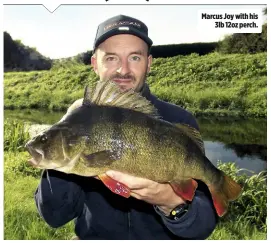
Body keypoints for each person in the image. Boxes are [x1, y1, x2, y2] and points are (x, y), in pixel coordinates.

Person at [34, 14, 218, 240]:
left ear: (149, 63)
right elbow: (54, 216)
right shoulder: (79, 121)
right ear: (94, 64)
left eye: (134, 58)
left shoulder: (178, 121)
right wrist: (56, 149)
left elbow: (202, 229)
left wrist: (168, 200)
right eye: (111, 58)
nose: (123, 70)